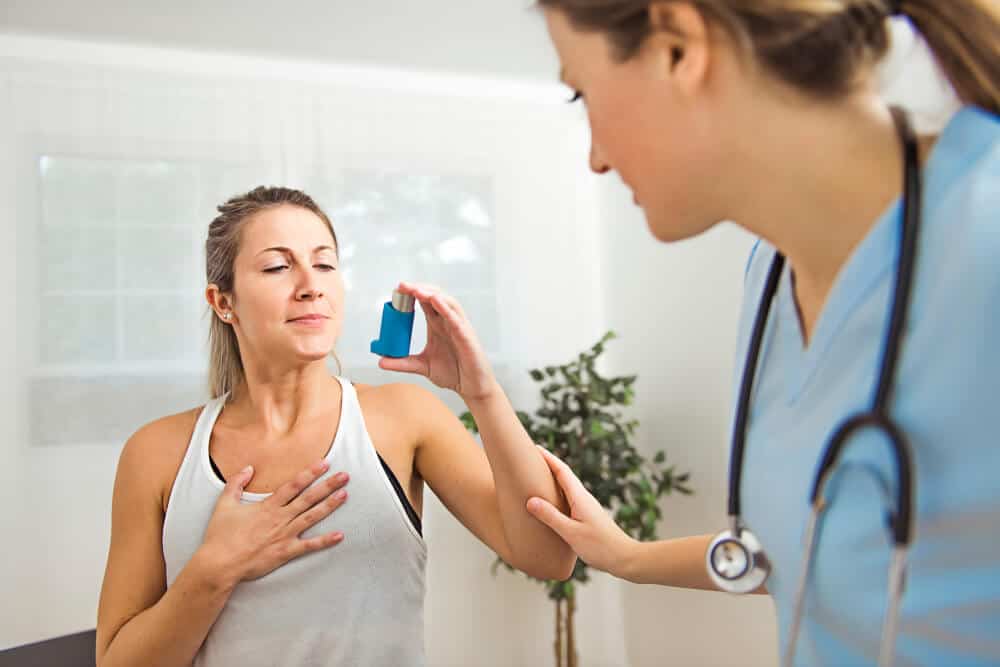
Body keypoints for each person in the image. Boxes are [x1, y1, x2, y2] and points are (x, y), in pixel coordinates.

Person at [487, 1, 997, 665]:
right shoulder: (769, 278)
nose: (595, 159)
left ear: (678, 48)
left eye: (583, 92)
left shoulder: (983, 243)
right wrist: (627, 557)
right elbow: (813, 550)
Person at [94, 186, 576, 667]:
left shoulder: (403, 418)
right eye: (278, 267)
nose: (310, 284)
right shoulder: (157, 454)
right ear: (223, 302)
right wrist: (213, 570)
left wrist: (482, 392)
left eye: (324, 264)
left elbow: (549, 557)